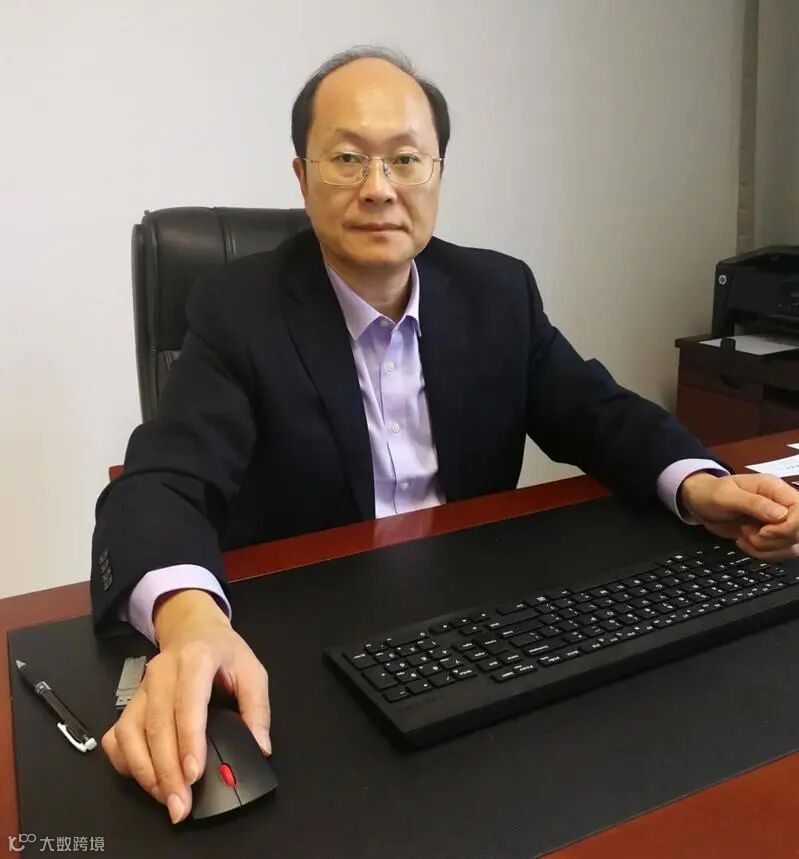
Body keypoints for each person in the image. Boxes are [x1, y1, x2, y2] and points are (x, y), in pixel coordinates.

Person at [91, 46, 799, 825]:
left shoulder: (496, 291)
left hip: (472, 633)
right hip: (309, 645)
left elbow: (598, 412)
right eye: (347, 159)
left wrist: (699, 483)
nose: (378, 188)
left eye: (404, 159)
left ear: (436, 172)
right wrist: (190, 619)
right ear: (301, 177)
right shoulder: (237, 309)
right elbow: (161, 481)